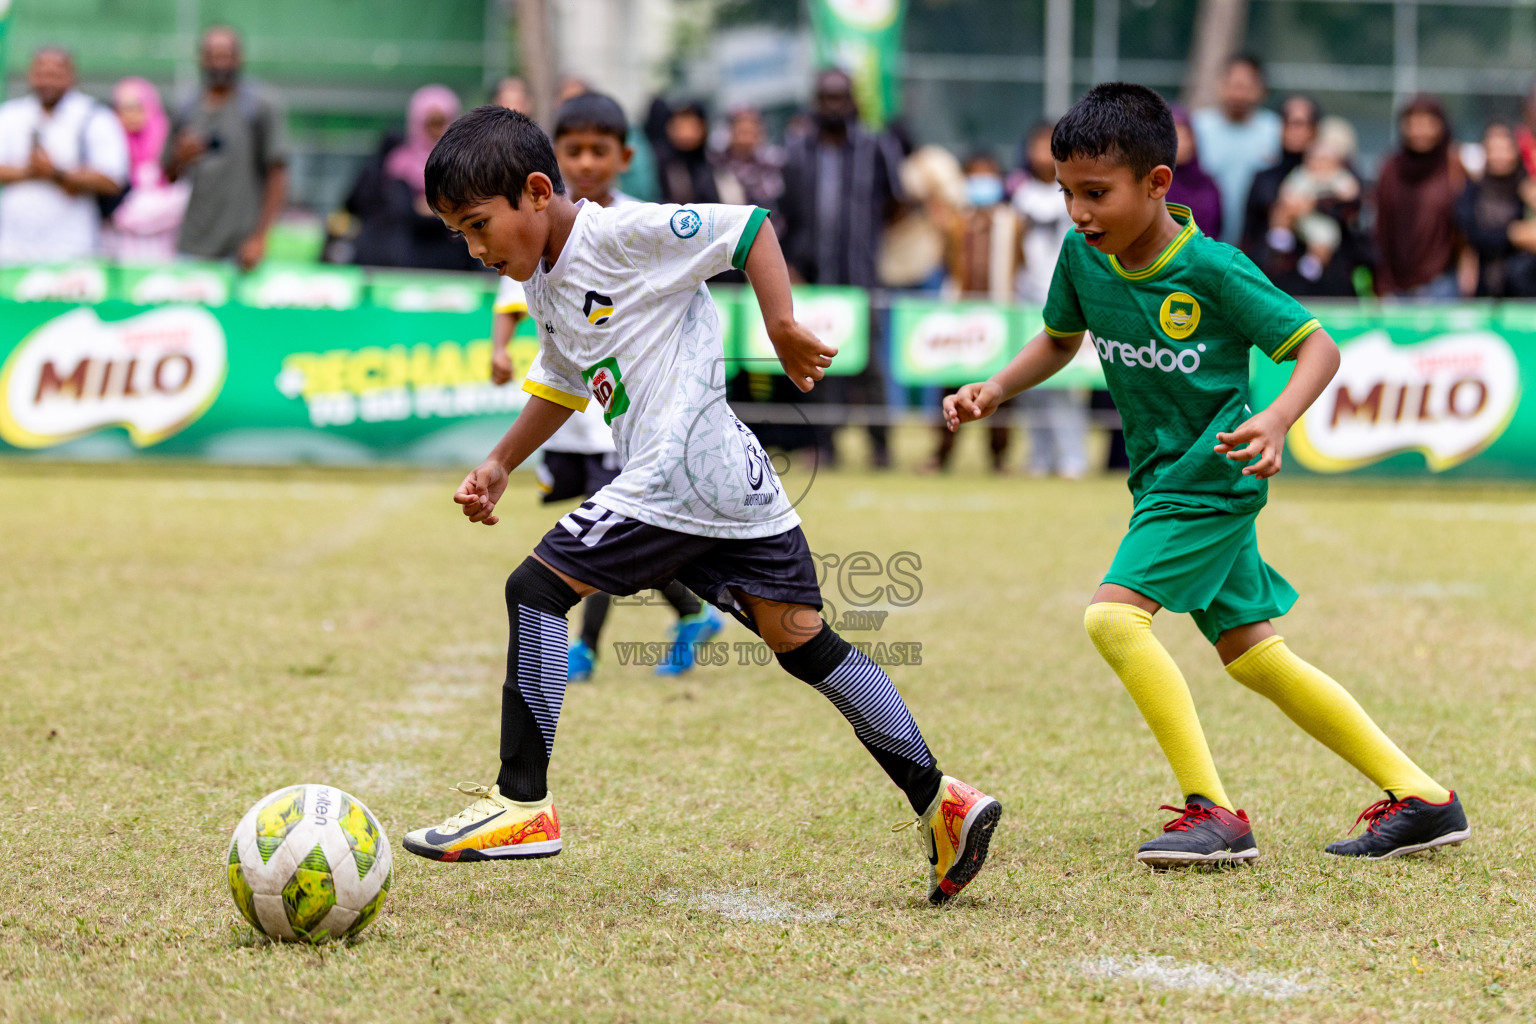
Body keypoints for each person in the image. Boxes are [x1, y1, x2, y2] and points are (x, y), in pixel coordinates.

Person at [403, 106, 1002, 903]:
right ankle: (944, 801)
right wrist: (501, 461)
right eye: (460, 236)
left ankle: (523, 803)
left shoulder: (619, 233)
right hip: (732, 481)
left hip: (676, 470)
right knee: (805, 645)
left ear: (538, 191)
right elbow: (562, 380)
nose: (477, 251)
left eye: (479, 226)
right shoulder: (543, 280)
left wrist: (782, 324)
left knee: (535, 588)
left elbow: (748, 227)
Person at [945, 83, 1468, 866]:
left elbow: (1316, 346)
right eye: (1067, 194)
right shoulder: (1081, 257)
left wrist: (1279, 417)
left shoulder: (1215, 270)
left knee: (1113, 619)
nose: (1080, 213)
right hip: (1161, 477)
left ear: (1157, 184)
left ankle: (1212, 811)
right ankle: (1424, 797)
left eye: (1097, 194)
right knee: (1258, 656)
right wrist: (995, 387)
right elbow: (1059, 340)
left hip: (1211, 476)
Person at [489, 91, 725, 680]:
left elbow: (697, 295)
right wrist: (498, 348)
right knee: (602, 532)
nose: (587, 163)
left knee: (600, 533)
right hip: (574, 419)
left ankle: (587, 647)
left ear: (624, 156)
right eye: (574, 151)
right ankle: (690, 613)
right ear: (553, 163)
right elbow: (510, 299)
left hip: (631, 426)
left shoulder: (639, 226)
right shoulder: (533, 234)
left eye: (599, 151)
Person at [779, 68, 906, 468]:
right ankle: (826, 447)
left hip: (860, 277)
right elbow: (784, 214)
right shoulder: (797, 151)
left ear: (852, 101)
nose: (833, 106)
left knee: (869, 365)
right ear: (815, 102)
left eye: (840, 97)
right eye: (825, 98)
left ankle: (880, 447)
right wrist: (792, 265)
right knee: (820, 365)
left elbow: (897, 201)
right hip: (814, 279)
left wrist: (868, 239)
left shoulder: (876, 147)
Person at [164, 26, 288, 269]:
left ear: (239, 58)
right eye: (212, 56)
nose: (219, 63)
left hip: (240, 247)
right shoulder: (187, 106)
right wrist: (181, 158)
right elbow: (168, 175)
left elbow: (278, 174)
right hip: (193, 244)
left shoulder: (260, 106)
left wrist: (260, 237)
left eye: (226, 56)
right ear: (201, 59)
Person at [929, 151, 1019, 473]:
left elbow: (1018, 263)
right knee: (951, 386)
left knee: (1002, 387)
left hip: (1000, 315)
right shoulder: (956, 223)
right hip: (960, 318)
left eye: (989, 173)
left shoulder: (1013, 223)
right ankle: (942, 453)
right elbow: (945, 262)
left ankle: (999, 457)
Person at [1012, 121, 1092, 479]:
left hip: (1063, 292)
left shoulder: (1074, 193)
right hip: (1027, 294)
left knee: (1065, 385)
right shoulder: (1021, 194)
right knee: (1030, 386)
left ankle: (1073, 457)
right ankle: (1039, 457)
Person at [0, 47, 127, 264]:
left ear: (71, 76)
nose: (47, 81)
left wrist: (57, 174)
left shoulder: (94, 117)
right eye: (41, 74)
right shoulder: (10, 115)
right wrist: (32, 171)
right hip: (11, 249)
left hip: (72, 249)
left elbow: (112, 179)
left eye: (55, 75)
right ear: (30, 75)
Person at [1261, 116, 1365, 296]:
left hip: (1326, 239)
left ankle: (1313, 264)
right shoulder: (1301, 174)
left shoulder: (1340, 177)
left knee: (1322, 244)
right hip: (1298, 229)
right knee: (1280, 215)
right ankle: (1280, 237)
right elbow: (1288, 193)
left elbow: (1350, 198)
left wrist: (1314, 204)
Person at [1374, 95, 1466, 298]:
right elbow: (1380, 227)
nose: (1420, 131)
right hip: (1396, 287)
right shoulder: (1391, 169)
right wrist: (1381, 282)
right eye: (1413, 124)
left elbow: (1465, 229)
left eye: (1427, 123)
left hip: (1442, 285)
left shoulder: (1453, 167)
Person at [1192, 55, 1281, 246]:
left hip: (1258, 244)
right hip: (1205, 242)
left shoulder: (1274, 130)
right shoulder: (1198, 128)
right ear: (1220, 85)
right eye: (1233, 85)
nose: (1239, 94)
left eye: (1246, 87)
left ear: (1260, 90)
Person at [102, 77, 189, 263]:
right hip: (118, 251)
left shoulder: (168, 145)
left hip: (161, 250)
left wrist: (125, 212)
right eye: (123, 108)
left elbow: (179, 199)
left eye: (136, 107)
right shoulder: (110, 147)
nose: (130, 114)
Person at [1457, 121, 1536, 298]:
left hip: (1526, 287)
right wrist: (1513, 234)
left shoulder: (1527, 188)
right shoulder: (1474, 189)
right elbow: (1475, 235)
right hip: (1486, 286)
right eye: (1493, 148)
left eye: (1505, 148)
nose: (1499, 155)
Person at [1241, 95, 1319, 256]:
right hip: (1271, 271)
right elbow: (1249, 234)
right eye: (1289, 123)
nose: (1295, 131)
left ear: (1314, 130)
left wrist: (1315, 205)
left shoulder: (1334, 174)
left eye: (1301, 123)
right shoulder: (1264, 179)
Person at [1167, 105, 1222, 239]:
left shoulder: (1207, 184)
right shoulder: (1152, 185)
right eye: (1173, 137)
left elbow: (1218, 224)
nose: (1179, 145)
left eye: (1184, 136)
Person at [717, 107, 784, 214]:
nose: (746, 140)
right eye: (742, 133)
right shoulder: (719, 164)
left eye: (751, 133)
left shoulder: (774, 162)